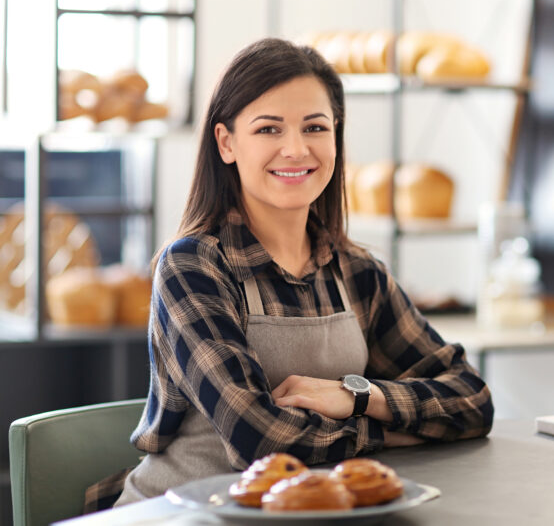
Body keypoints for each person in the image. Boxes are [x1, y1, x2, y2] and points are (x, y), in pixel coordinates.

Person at [109, 37, 493, 507]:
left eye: (314, 127)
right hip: (182, 512)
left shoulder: (358, 273)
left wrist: (357, 396)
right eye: (269, 130)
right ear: (226, 143)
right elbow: (261, 441)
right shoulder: (193, 267)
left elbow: (473, 400)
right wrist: (390, 430)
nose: (295, 149)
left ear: (336, 135)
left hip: (310, 512)